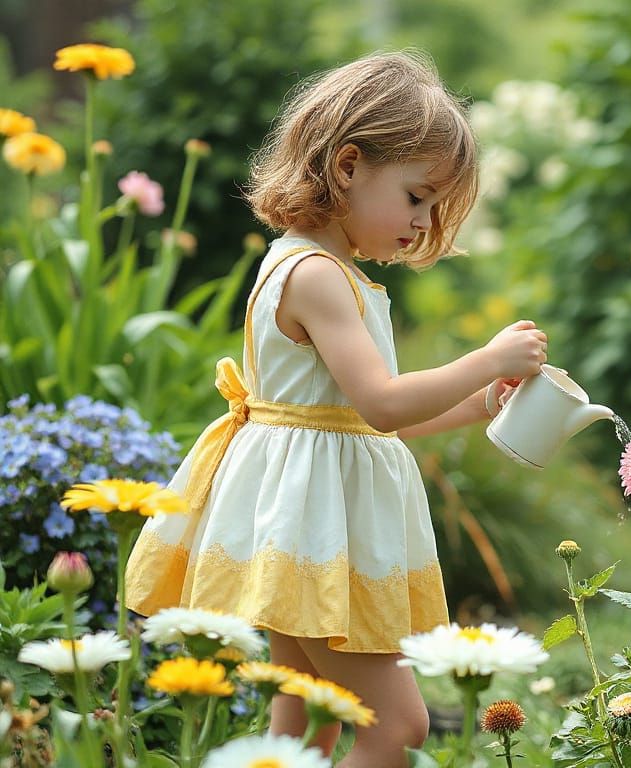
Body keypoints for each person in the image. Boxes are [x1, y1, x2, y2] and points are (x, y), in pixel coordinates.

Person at [124, 51, 547, 767]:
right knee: (396, 727)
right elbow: (381, 406)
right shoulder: (317, 276)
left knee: (308, 725)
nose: (423, 222)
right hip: (313, 537)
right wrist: (485, 359)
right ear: (348, 166)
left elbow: (370, 417)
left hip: (311, 532)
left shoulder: (321, 269)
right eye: (416, 196)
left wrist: (479, 400)